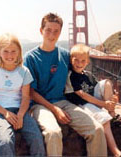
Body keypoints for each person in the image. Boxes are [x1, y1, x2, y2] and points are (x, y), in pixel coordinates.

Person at [24, 12, 107, 156]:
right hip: (40, 106)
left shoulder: (65, 55)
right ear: (41, 31)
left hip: (63, 102)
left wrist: (104, 97)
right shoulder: (30, 58)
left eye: (56, 31)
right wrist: (55, 110)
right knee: (54, 133)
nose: (52, 34)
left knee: (97, 129)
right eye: (48, 30)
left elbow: (79, 75)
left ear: (60, 32)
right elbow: (31, 92)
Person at [0, 33, 45, 156]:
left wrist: (20, 115)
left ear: (19, 52)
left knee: (36, 137)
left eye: (13, 51)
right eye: (6, 51)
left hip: (19, 110)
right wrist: (5, 113)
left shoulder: (24, 72)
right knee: (5, 140)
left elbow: (26, 97)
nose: (9, 55)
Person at [65, 43, 121, 157]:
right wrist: (103, 104)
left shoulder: (88, 75)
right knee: (104, 121)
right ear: (71, 60)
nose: (79, 64)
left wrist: (112, 100)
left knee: (106, 83)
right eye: (76, 60)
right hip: (83, 104)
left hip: (93, 101)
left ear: (87, 62)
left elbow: (100, 89)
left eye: (83, 61)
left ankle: (112, 111)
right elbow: (82, 95)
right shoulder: (71, 76)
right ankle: (116, 152)